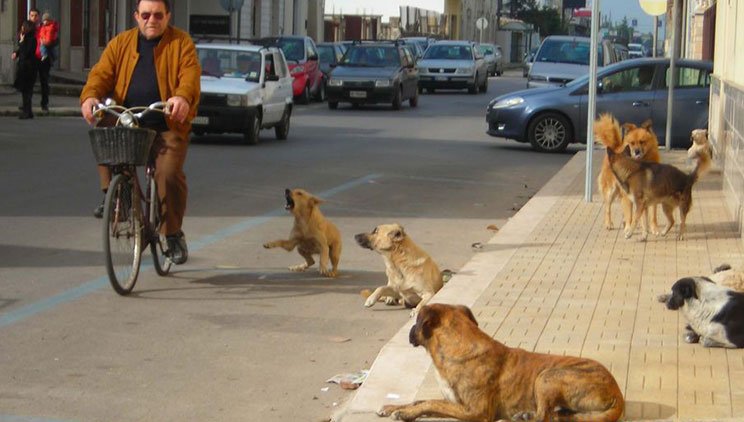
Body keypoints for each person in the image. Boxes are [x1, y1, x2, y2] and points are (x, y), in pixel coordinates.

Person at [80, 0, 201, 265]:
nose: (152, 20)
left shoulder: (181, 44)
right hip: (129, 122)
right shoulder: (120, 44)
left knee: (167, 173)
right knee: (104, 133)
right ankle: (116, 197)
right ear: (136, 16)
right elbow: (100, 74)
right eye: (145, 14)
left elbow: (189, 77)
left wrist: (181, 97)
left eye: (158, 15)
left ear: (168, 16)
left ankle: (172, 235)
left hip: (167, 124)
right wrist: (90, 97)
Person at [12, 20, 38, 120]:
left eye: (23, 27)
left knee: (26, 90)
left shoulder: (31, 39)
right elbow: (20, 50)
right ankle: (29, 111)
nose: (21, 28)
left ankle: (26, 111)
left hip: (28, 68)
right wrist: (16, 53)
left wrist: (22, 43)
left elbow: (26, 52)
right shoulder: (25, 38)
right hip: (25, 67)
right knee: (26, 90)